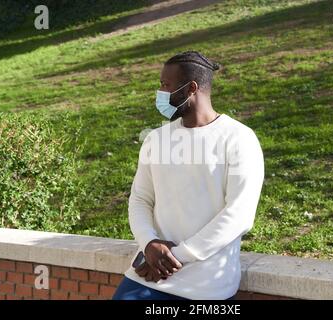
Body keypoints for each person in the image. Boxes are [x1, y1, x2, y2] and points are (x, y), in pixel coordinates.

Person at [112, 51, 265, 300]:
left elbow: (239, 215)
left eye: (165, 85)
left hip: (205, 285)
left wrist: (175, 256)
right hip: (147, 273)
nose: (160, 93)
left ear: (191, 88)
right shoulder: (156, 139)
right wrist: (149, 245)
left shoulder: (238, 138)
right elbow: (140, 199)